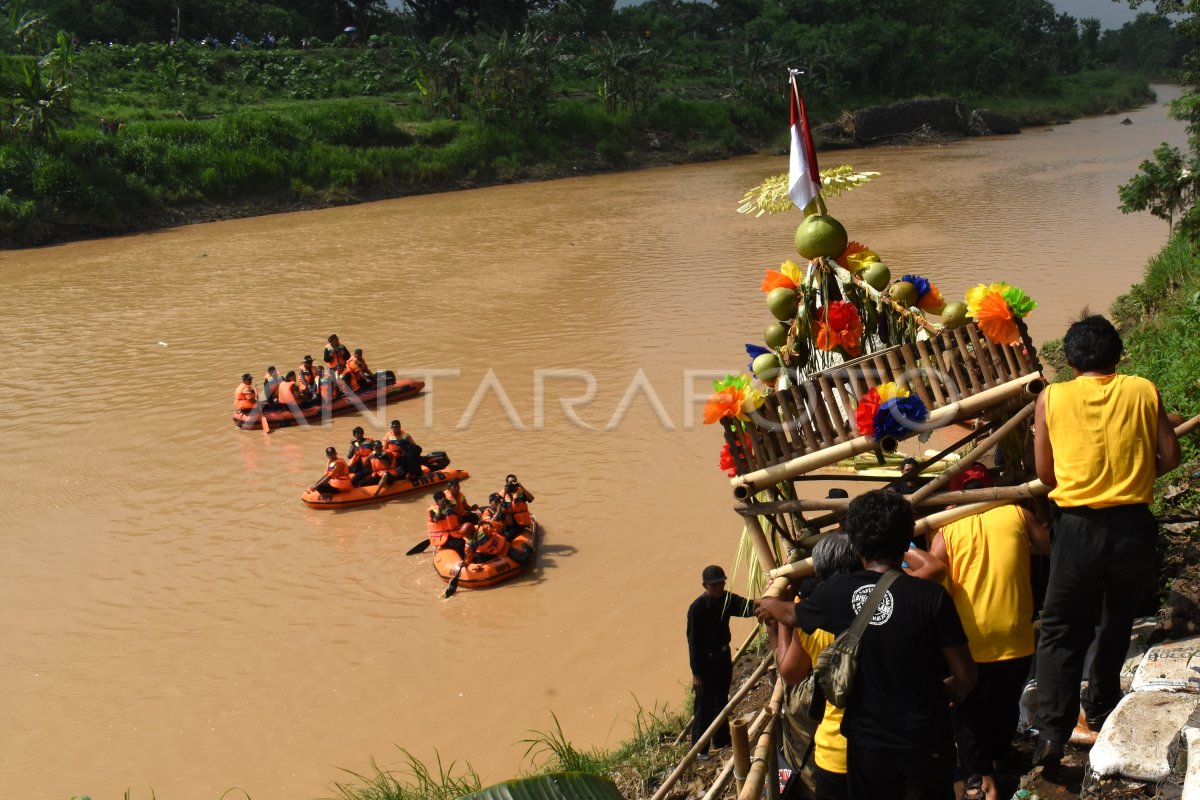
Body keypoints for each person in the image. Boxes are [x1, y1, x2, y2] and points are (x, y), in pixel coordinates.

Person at [756, 489, 976, 800]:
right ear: (906, 541)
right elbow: (966, 674)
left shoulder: (834, 594)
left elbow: (790, 614)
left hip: (867, 745)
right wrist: (952, 691)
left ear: (856, 544)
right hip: (926, 739)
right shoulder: (930, 596)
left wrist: (768, 605)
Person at [1031, 313, 1181, 767]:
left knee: (1060, 628)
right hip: (1133, 526)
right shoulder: (1142, 390)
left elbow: (1044, 474)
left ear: (1071, 361)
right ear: (1117, 355)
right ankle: (1099, 707)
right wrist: (1132, 478)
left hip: (1077, 529)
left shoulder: (1051, 398)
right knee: (1116, 619)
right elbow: (1170, 455)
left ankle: (1053, 731)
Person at [928, 467, 1050, 800]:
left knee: (966, 711)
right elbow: (1046, 546)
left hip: (967, 642)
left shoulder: (947, 530)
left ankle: (978, 777)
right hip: (1015, 634)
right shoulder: (1016, 513)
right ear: (992, 487)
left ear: (956, 497)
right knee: (1005, 704)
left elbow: (933, 576)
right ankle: (997, 759)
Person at [768, 533, 862, 800]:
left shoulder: (814, 619)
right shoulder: (891, 602)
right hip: (889, 741)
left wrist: (787, 617)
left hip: (838, 748)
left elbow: (790, 672)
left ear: (820, 572)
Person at [686, 565, 757, 761]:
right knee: (704, 705)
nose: (719, 587)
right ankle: (699, 749)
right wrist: (696, 673)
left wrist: (766, 604)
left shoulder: (726, 599)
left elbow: (747, 607)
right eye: (715, 585)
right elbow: (693, 643)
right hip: (706, 663)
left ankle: (721, 738)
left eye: (721, 583)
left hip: (723, 658)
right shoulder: (697, 609)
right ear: (705, 586)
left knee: (721, 698)